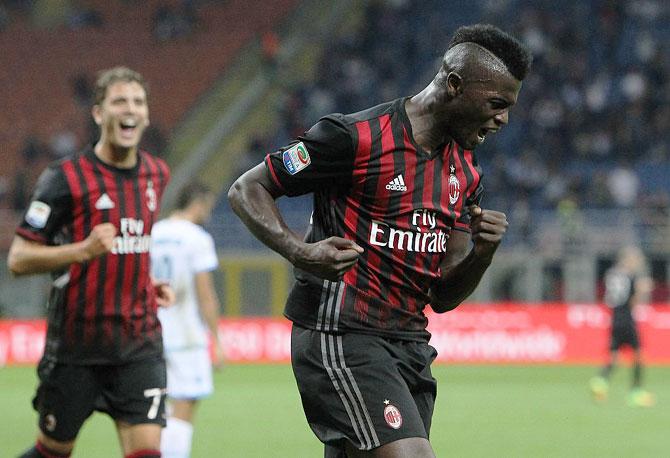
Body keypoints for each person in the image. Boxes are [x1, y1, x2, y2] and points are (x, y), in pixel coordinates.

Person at [229, 24, 532, 458]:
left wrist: (483, 255)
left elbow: (444, 295)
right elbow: (247, 189)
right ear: (454, 85)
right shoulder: (353, 137)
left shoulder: (466, 174)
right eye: (497, 103)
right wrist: (301, 251)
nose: (503, 119)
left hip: (409, 347)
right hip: (340, 333)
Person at [8, 66, 173, 458]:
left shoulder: (156, 174)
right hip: (76, 348)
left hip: (139, 345)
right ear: (99, 113)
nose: (128, 109)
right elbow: (18, 258)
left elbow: (131, 246)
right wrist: (81, 251)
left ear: (146, 115)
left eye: (137, 102)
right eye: (118, 101)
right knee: (53, 451)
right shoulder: (64, 178)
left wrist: (144, 286)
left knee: (147, 451)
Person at [150, 182, 224, 458]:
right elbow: (205, 295)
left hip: (153, 333)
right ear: (198, 203)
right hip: (185, 335)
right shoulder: (197, 238)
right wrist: (215, 340)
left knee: (158, 409)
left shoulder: (154, 232)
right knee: (184, 407)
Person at [590, 246, 655, 407]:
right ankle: (636, 392)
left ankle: (600, 382)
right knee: (639, 354)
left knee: (614, 354)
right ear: (628, 259)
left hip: (614, 317)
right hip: (626, 318)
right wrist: (642, 290)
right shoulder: (631, 277)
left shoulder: (612, 274)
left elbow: (609, 297)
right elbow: (633, 301)